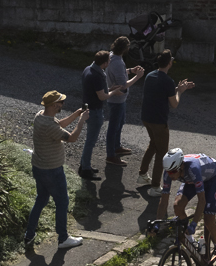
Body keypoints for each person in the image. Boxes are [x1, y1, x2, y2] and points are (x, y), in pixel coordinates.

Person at [24, 90, 88, 249]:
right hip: (52, 170)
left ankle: (29, 234)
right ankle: (63, 238)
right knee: (62, 202)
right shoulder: (49, 125)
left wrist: (75, 115)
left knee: (41, 199)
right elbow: (72, 138)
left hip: (39, 167)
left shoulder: (40, 116)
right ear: (53, 105)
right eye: (61, 102)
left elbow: (58, 125)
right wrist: (81, 122)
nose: (63, 104)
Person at [157, 149, 216, 266]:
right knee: (177, 205)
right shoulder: (170, 172)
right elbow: (164, 200)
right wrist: (157, 223)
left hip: (211, 178)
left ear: (181, 166)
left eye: (173, 172)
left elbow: (202, 200)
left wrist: (194, 224)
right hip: (190, 180)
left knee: (208, 220)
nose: (170, 175)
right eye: (168, 172)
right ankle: (191, 242)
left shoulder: (192, 168)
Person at [136, 51, 194, 196]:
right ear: (169, 63)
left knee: (153, 145)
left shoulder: (151, 75)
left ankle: (142, 174)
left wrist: (178, 88)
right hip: (158, 121)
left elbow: (161, 91)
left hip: (146, 118)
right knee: (162, 153)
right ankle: (155, 187)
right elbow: (174, 104)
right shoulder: (168, 81)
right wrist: (180, 92)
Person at [79, 49, 121, 179]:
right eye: (109, 60)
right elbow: (102, 96)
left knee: (89, 140)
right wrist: (114, 92)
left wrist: (110, 89)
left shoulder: (88, 69)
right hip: (94, 111)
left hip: (88, 108)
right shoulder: (97, 76)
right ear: (104, 63)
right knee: (90, 142)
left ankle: (84, 165)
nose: (109, 62)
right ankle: (85, 169)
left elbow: (97, 90)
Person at [105, 37, 145, 168]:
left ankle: (116, 147)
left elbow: (120, 73)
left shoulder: (113, 57)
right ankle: (111, 155)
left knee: (120, 123)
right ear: (125, 49)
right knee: (113, 127)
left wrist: (130, 70)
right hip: (116, 100)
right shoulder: (117, 62)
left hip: (119, 99)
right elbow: (123, 85)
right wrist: (137, 76)